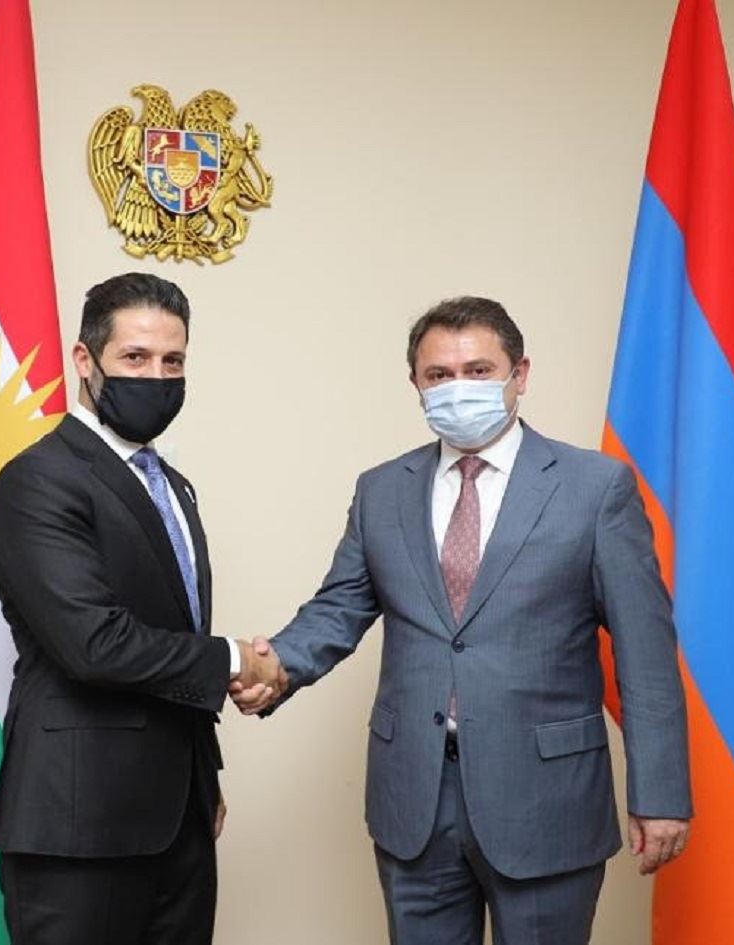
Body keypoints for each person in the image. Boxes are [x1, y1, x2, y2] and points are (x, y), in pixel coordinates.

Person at [233, 296, 692, 945]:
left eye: (478, 371)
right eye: (439, 375)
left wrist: (661, 792)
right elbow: (339, 606)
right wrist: (276, 665)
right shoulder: (381, 490)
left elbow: (646, 651)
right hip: (414, 799)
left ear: (519, 374)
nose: (458, 387)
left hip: (546, 799)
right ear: (415, 384)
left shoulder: (596, 488)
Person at [0, 272, 278, 945]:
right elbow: (94, 643)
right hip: (78, 827)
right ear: (85, 360)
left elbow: (174, 630)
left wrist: (200, 779)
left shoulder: (172, 485)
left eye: (173, 361)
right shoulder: (38, 478)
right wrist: (236, 659)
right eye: (136, 358)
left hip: (180, 821)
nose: (157, 377)